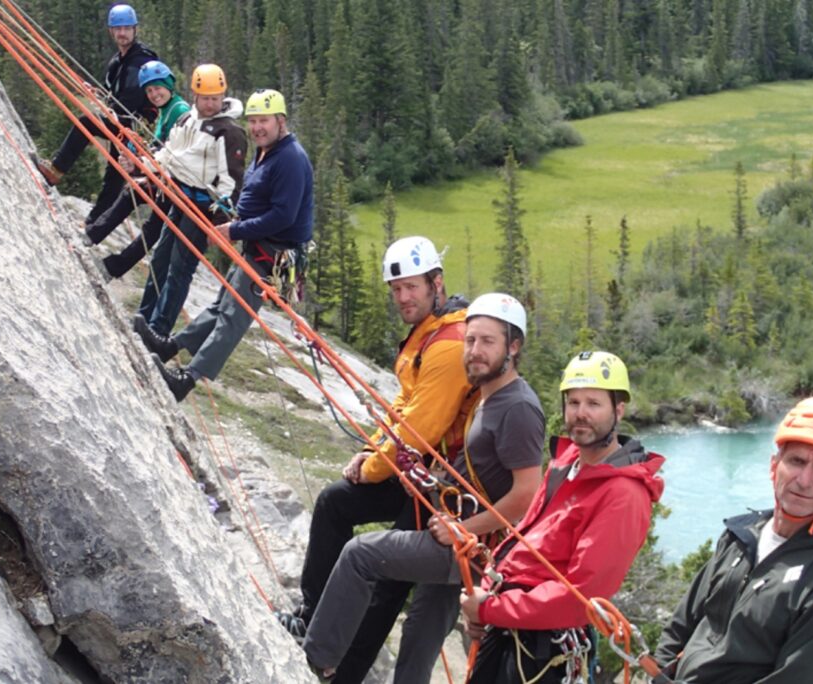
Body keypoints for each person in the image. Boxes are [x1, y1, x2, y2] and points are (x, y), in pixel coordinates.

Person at [302, 293, 545, 683]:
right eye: (470, 340)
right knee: (421, 636)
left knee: (359, 556)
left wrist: (464, 530)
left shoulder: (518, 407)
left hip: (467, 543)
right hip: (462, 539)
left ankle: (314, 661)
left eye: (488, 342)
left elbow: (527, 496)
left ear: (513, 347)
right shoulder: (489, 396)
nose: (475, 351)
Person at [267, 236, 475, 684]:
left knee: (388, 578)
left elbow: (422, 427)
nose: (402, 297)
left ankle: (345, 670)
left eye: (411, 287)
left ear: (435, 284)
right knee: (334, 502)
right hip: (417, 472)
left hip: (445, 483)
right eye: (396, 288)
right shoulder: (427, 335)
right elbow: (404, 405)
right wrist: (370, 451)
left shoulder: (448, 344)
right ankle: (314, 615)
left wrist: (374, 465)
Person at [460, 351, 665, 684]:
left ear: (619, 410)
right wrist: (486, 600)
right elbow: (523, 541)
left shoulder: (624, 495)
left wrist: (488, 609)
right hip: (513, 628)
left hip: (544, 651)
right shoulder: (565, 466)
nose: (580, 414)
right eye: (573, 403)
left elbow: (580, 597)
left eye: (593, 404)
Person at [652, 396, 813, 684]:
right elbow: (681, 626)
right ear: (773, 466)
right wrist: (659, 674)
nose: (804, 480)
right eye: (796, 461)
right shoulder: (739, 539)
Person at [134, 88, 311, 401]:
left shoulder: (291, 159)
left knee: (232, 317)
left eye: (264, 121)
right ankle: (169, 346)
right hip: (258, 246)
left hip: (272, 255)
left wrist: (236, 229)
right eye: (254, 121)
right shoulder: (266, 150)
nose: (257, 127)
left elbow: (284, 216)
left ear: (280, 121)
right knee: (220, 307)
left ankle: (186, 380)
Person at [131, 64, 246, 341]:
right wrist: (142, 166)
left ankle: (158, 329)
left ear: (223, 95)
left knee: (180, 268)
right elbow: (168, 155)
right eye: (206, 97)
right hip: (180, 197)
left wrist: (222, 223)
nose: (210, 103)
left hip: (204, 208)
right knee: (160, 258)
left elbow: (231, 182)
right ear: (195, 95)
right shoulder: (188, 120)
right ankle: (145, 316)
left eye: (215, 98)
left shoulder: (229, 132)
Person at [36, 4, 158, 226]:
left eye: (126, 28)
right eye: (118, 29)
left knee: (89, 127)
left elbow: (132, 99)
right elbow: (113, 94)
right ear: (111, 31)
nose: (122, 33)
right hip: (123, 121)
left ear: (134, 29)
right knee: (114, 176)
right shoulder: (117, 62)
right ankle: (94, 223)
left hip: (136, 125)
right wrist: (97, 96)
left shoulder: (141, 60)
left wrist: (108, 108)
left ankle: (57, 169)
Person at [84, 60, 191, 279]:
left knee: (141, 206)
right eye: (149, 90)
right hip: (171, 178)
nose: (154, 94)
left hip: (178, 180)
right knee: (150, 223)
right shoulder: (167, 110)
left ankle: (95, 238)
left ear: (169, 86)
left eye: (158, 88)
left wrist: (141, 163)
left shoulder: (179, 111)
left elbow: (173, 150)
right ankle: (109, 262)